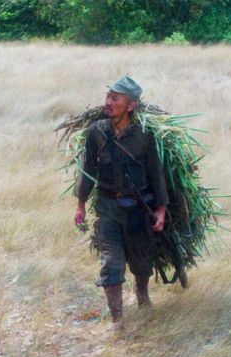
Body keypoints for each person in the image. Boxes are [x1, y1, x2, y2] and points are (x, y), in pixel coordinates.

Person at [74, 76, 169, 328]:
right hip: (108, 209)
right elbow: (87, 171)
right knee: (111, 264)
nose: (108, 102)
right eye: (108, 96)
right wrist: (81, 204)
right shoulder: (97, 132)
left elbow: (156, 173)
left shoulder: (144, 136)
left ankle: (142, 294)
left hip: (139, 210)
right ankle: (118, 322)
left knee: (141, 261)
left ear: (130, 106)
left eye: (115, 98)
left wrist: (161, 209)